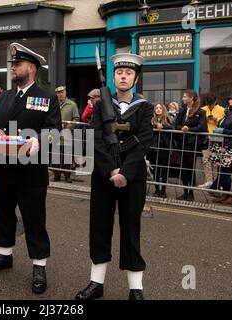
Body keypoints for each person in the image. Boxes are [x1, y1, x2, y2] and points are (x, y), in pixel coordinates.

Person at [0, 42, 62, 294]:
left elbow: (54, 132)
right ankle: (4, 254)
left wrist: (38, 140)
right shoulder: (6, 97)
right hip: (5, 167)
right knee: (2, 214)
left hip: (32, 170)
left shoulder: (47, 97)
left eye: (17, 64)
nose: (12, 68)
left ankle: (39, 265)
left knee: (34, 219)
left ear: (30, 68)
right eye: (12, 64)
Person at [75, 53, 153, 300]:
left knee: (131, 229)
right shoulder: (100, 106)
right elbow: (96, 140)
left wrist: (125, 173)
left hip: (132, 178)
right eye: (119, 72)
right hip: (103, 176)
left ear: (135, 78)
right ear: (113, 76)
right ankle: (96, 283)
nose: (123, 76)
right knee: (99, 228)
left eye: (128, 73)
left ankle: (135, 288)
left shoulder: (145, 107)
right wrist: (111, 170)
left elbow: (143, 142)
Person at [175, 90, 207, 201]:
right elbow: (176, 125)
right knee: (183, 169)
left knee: (190, 168)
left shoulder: (200, 111)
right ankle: (185, 192)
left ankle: (191, 193)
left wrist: (189, 129)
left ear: (191, 98)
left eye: (184, 96)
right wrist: (181, 128)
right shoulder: (182, 110)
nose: (183, 98)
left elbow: (202, 127)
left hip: (192, 145)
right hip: (182, 144)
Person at [53, 86, 80, 183]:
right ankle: (56, 175)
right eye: (58, 93)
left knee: (67, 155)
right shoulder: (53, 104)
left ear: (65, 92)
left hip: (67, 133)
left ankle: (67, 175)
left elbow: (76, 119)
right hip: (55, 133)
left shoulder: (72, 105)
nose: (60, 94)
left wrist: (68, 128)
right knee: (56, 155)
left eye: (62, 92)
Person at [148, 103, 173, 198]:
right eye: (156, 108)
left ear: (163, 110)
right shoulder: (151, 120)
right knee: (156, 171)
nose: (158, 109)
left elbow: (172, 127)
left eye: (160, 108)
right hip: (153, 149)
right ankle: (157, 190)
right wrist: (155, 126)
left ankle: (163, 191)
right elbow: (147, 128)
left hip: (165, 148)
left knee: (165, 171)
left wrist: (162, 126)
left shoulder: (167, 119)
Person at [199, 95, 225, 188]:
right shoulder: (202, 109)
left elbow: (224, 124)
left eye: (212, 105)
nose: (210, 106)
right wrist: (204, 119)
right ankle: (208, 180)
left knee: (215, 162)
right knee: (205, 160)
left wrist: (216, 119)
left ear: (215, 102)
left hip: (217, 138)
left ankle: (216, 183)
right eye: (208, 105)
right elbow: (198, 122)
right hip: (205, 137)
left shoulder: (222, 110)